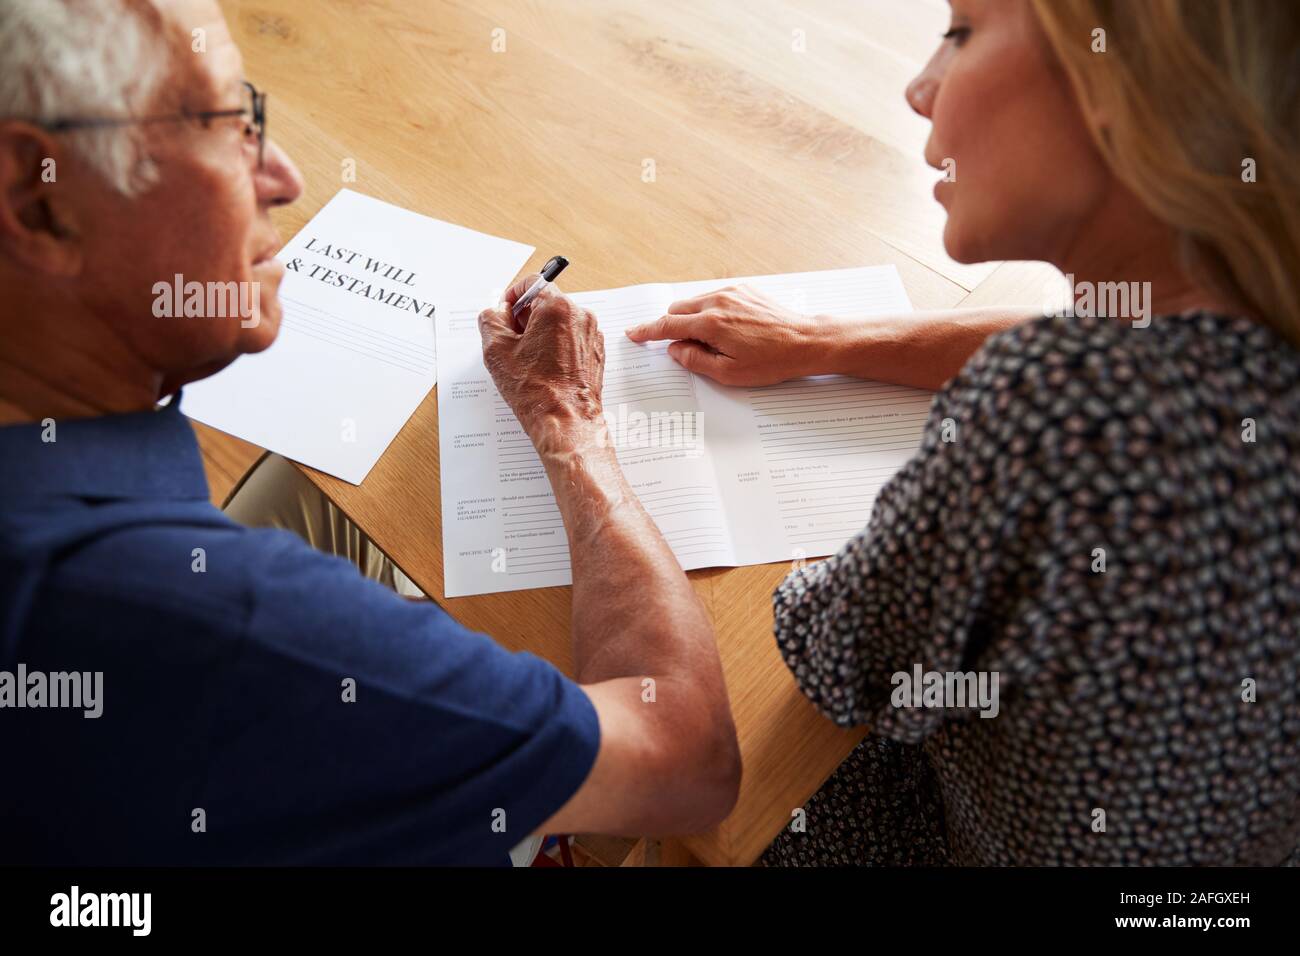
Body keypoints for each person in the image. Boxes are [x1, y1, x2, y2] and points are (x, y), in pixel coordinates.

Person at [0, 0, 739, 866]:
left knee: (296, 498)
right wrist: (567, 422)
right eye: (227, 125)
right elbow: (688, 759)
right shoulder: (229, 627)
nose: (283, 174)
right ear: (39, 203)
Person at [627, 0, 1300, 865]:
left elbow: (837, 657)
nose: (917, 89)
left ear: (1121, 77)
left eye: (964, 31)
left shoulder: (1063, 411)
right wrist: (827, 342)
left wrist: (572, 437)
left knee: (694, 802)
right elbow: (1126, 331)